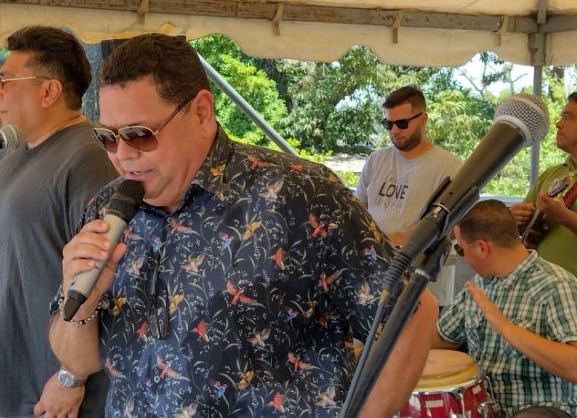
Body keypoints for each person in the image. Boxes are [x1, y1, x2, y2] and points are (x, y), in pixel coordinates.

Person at [49, 33, 437, 418]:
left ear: (201, 112)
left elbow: (411, 313)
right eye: (108, 138)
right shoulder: (106, 208)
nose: (122, 155)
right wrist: (81, 301)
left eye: (139, 135)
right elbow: (78, 363)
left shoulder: (300, 193)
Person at [0, 26, 116, 418]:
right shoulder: (14, 153)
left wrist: (71, 376)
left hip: (52, 390)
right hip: (12, 372)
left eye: (5, 81)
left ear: (49, 91)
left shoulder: (89, 156)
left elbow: (104, 279)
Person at [433, 199, 577, 418]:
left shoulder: (556, 285)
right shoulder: (479, 285)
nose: (464, 257)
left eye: (461, 249)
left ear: (482, 247)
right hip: (484, 408)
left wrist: (506, 328)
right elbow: (440, 339)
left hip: (543, 409)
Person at [355, 86, 460, 246]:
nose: (394, 130)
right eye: (388, 124)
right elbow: (359, 209)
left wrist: (403, 241)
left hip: (415, 257)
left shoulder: (448, 166)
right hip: (372, 254)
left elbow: (453, 225)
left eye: (402, 123)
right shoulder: (376, 160)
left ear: (423, 119)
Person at [511, 92, 577, 276]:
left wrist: (562, 215)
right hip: (538, 285)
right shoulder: (552, 173)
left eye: (568, 116)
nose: (558, 123)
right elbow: (525, 228)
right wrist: (515, 218)